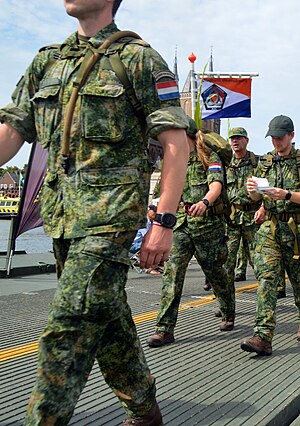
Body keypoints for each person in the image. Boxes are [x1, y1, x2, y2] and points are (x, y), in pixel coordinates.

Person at [0, 1, 190, 423]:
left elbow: (177, 144)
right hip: (64, 219)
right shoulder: (46, 62)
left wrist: (163, 222)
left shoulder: (138, 60)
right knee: (108, 320)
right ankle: (144, 408)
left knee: (66, 329)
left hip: (111, 220)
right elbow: (11, 134)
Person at [147, 120, 235, 347]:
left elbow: (216, 185)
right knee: (172, 273)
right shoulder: (173, 161)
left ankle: (228, 310)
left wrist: (205, 202)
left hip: (207, 226)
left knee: (215, 272)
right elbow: (163, 192)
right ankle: (164, 328)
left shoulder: (208, 156)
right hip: (180, 225)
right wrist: (154, 210)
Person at [240, 115, 300, 356]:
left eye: (280, 137)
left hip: (299, 232)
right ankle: (262, 336)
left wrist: (286, 194)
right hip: (270, 230)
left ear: (292, 136)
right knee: (266, 279)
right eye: (273, 138)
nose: (276, 142)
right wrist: (252, 191)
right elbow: (255, 198)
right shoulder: (265, 162)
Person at [225, 127, 261, 283]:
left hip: (253, 217)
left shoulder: (257, 163)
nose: (235, 141)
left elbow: (265, 191)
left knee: (258, 257)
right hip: (232, 218)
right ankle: (226, 302)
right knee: (227, 259)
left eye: (239, 138)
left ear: (246, 140)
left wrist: (262, 208)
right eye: (233, 138)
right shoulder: (226, 163)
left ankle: (268, 290)